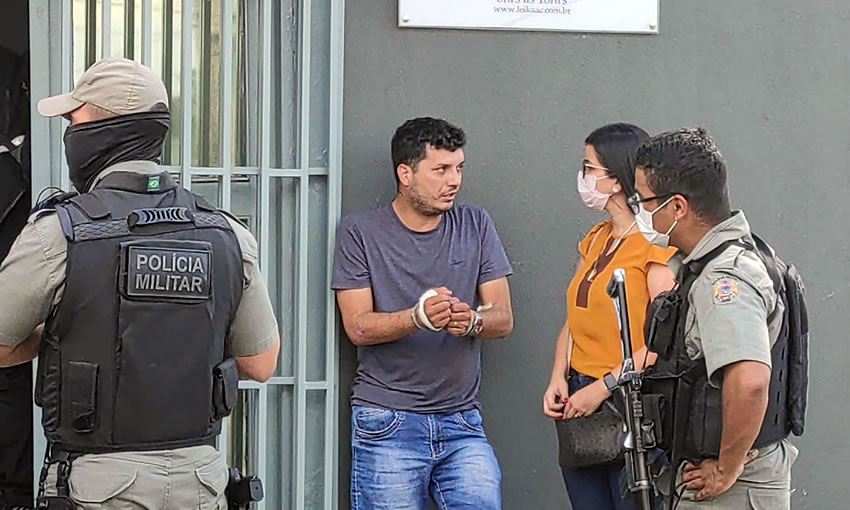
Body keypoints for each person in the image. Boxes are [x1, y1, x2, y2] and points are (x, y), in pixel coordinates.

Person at [0, 57, 281, 510]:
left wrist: (61, 329)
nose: (69, 131)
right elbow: (261, 363)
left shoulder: (60, 234)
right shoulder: (227, 233)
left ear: (103, 133)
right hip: (201, 483)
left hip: (99, 487)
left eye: (75, 120)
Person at [332, 117, 514, 510]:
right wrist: (418, 317)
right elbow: (358, 327)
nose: (454, 180)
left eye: (459, 168)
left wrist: (472, 321)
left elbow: (503, 317)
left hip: (463, 421)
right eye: (441, 169)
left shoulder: (476, 223)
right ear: (405, 174)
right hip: (387, 420)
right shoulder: (359, 231)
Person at [632, 127, 798, 508]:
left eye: (642, 200)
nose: (637, 209)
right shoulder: (710, 264)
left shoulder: (724, 279)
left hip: (732, 490)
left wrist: (726, 468)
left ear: (677, 207)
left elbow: (750, 382)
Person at [541, 123, 676, 510]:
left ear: (616, 179)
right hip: (579, 400)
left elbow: (662, 341)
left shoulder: (653, 247)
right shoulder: (596, 239)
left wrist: (603, 387)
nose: (583, 177)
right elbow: (574, 317)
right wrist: (558, 376)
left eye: (589, 168)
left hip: (628, 401)